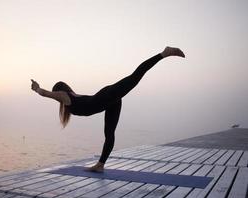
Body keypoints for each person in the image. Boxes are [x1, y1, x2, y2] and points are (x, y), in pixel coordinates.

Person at [31, 46, 185, 172]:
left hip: (106, 97)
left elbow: (44, 93)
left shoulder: (64, 96)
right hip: (110, 102)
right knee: (109, 134)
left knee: (134, 77)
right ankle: (100, 165)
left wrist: (37, 88)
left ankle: (164, 53)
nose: (56, 97)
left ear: (59, 90)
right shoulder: (71, 96)